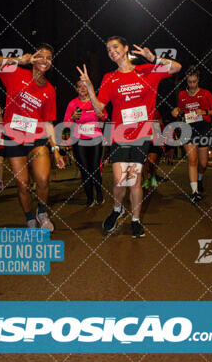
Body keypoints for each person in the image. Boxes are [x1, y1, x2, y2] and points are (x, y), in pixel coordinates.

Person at [77, 36, 181, 238]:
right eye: (108, 49)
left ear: (125, 48)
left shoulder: (147, 71)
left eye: (115, 47)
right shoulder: (109, 77)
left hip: (141, 134)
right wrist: (90, 87)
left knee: (134, 181)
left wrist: (154, 58)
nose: (111, 51)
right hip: (119, 134)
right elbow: (99, 109)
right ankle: (118, 209)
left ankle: (135, 220)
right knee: (118, 180)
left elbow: (176, 67)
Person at [0, 44, 65, 230]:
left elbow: (48, 123)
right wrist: (20, 60)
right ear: (34, 58)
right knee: (23, 184)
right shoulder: (15, 72)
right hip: (13, 138)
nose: (45, 60)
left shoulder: (50, 90)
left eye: (49, 57)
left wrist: (56, 150)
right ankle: (30, 218)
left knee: (43, 179)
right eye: (41, 56)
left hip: (37, 138)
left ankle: (42, 212)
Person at [171, 65, 212, 203]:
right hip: (188, 128)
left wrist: (205, 112)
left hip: (203, 127)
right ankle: (194, 192)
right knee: (192, 160)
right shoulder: (182, 95)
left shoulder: (206, 94)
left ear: (198, 80)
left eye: (194, 82)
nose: (192, 85)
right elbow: (180, 109)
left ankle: (199, 179)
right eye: (189, 82)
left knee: (203, 163)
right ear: (186, 81)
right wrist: (176, 111)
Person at [64, 79, 107, 207]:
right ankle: (90, 198)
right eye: (79, 87)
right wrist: (72, 117)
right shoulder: (73, 104)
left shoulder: (95, 100)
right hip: (79, 139)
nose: (83, 89)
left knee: (95, 168)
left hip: (95, 138)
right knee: (84, 170)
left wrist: (99, 115)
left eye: (85, 86)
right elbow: (66, 123)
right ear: (76, 89)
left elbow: (104, 117)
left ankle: (99, 193)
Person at [142, 108, 165, 189]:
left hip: (154, 140)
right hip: (142, 139)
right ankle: (145, 180)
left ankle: (153, 176)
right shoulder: (138, 109)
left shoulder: (155, 111)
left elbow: (161, 123)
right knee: (143, 161)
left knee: (152, 160)